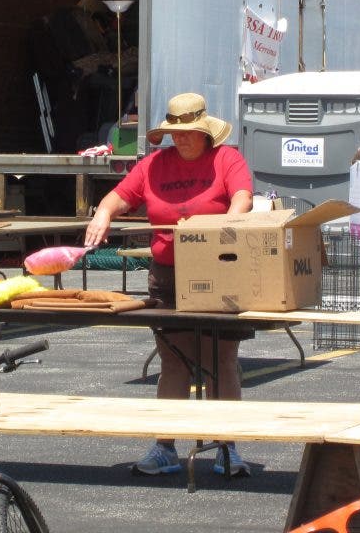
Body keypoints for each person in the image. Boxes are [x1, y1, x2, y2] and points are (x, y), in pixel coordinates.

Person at [84, 92, 254, 477]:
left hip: (220, 270)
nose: (180, 138)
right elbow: (118, 196)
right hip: (169, 274)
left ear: (205, 132)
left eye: (188, 132)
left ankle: (227, 447)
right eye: (174, 132)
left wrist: (222, 226)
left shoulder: (227, 159)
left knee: (220, 359)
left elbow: (242, 197)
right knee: (174, 360)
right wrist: (103, 214)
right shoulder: (152, 165)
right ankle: (165, 447)